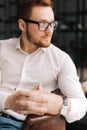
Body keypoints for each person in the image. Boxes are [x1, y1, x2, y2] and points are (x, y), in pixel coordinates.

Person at [0, 0, 87, 130]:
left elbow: (81, 105)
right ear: (22, 25)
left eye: (52, 24)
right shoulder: (2, 48)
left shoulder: (61, 60)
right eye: (43, 24)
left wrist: (60, 105)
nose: (49, 31)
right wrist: (8, 101)